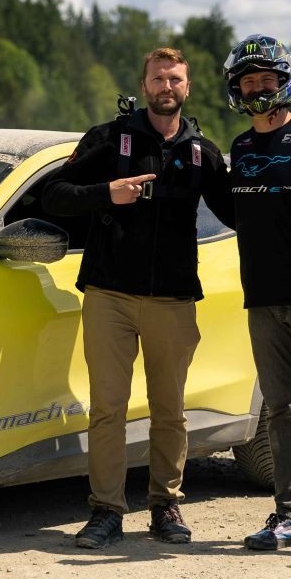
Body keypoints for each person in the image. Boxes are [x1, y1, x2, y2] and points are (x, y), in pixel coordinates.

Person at [41, 47, 233, 548]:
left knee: (170, 410)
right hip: (109, 295)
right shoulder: (108, 139)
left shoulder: (203, 153)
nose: (166, 87)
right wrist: (107, 192)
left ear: (188, 88)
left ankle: (165, 505)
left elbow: (242, 214)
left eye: (175, 79)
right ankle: (106, 510)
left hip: (173, 299)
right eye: (158, 78)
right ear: (144, 85)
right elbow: (53, 195)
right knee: (108, 409)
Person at [223, 33, 291, 550]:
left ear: (285, 82)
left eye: (267, 80)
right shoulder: (241, 147)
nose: (258, 89)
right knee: (281, 411)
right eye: (249, 81)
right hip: (261, 297)